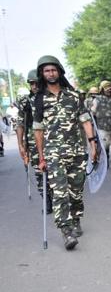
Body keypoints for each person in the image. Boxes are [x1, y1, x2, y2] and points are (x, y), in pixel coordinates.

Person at [32, 55, 98, 250]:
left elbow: (85, 120)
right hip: (53, 154)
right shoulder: (39, 100)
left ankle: (76, 218)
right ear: (42, 74)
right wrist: (41, 157)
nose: (50, 73)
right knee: (60, 193)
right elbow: (38, 130)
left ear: (59, 72)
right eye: (46, 71)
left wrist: (93, 145)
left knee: (76, 191)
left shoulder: (74, 96)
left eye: (53, 70)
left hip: (77, 151)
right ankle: (66, 231)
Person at [15, 69, 53, 213]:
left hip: (53, 141)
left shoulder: (50, 98)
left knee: (55, 172)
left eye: (37, 83)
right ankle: (47, 201)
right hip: (33, 143)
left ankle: (57, 199)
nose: (35, 86)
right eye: (32, 83)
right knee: (40, 173)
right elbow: (20, 124)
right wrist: (20, 145)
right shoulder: (25, 102)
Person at [91, 80, 111, 170]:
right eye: (107, 88)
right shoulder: (97, 99)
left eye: (110, 88)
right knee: (105, 147)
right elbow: (92, 112)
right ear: (102, 89)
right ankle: (106, 164)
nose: (109, 90)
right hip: (103, 127)